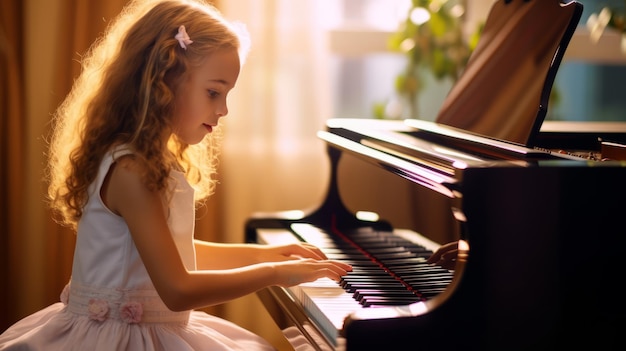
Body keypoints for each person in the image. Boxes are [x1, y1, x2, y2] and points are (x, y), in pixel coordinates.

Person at [0, 0, 351, 349]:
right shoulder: (131, 169)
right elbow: (177, 289)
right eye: (213, 92)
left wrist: (266, 254)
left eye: (226, 94)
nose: (224, 109)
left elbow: (173, 253)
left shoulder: (146, 159)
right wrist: (276, 274)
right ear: (163, 80)